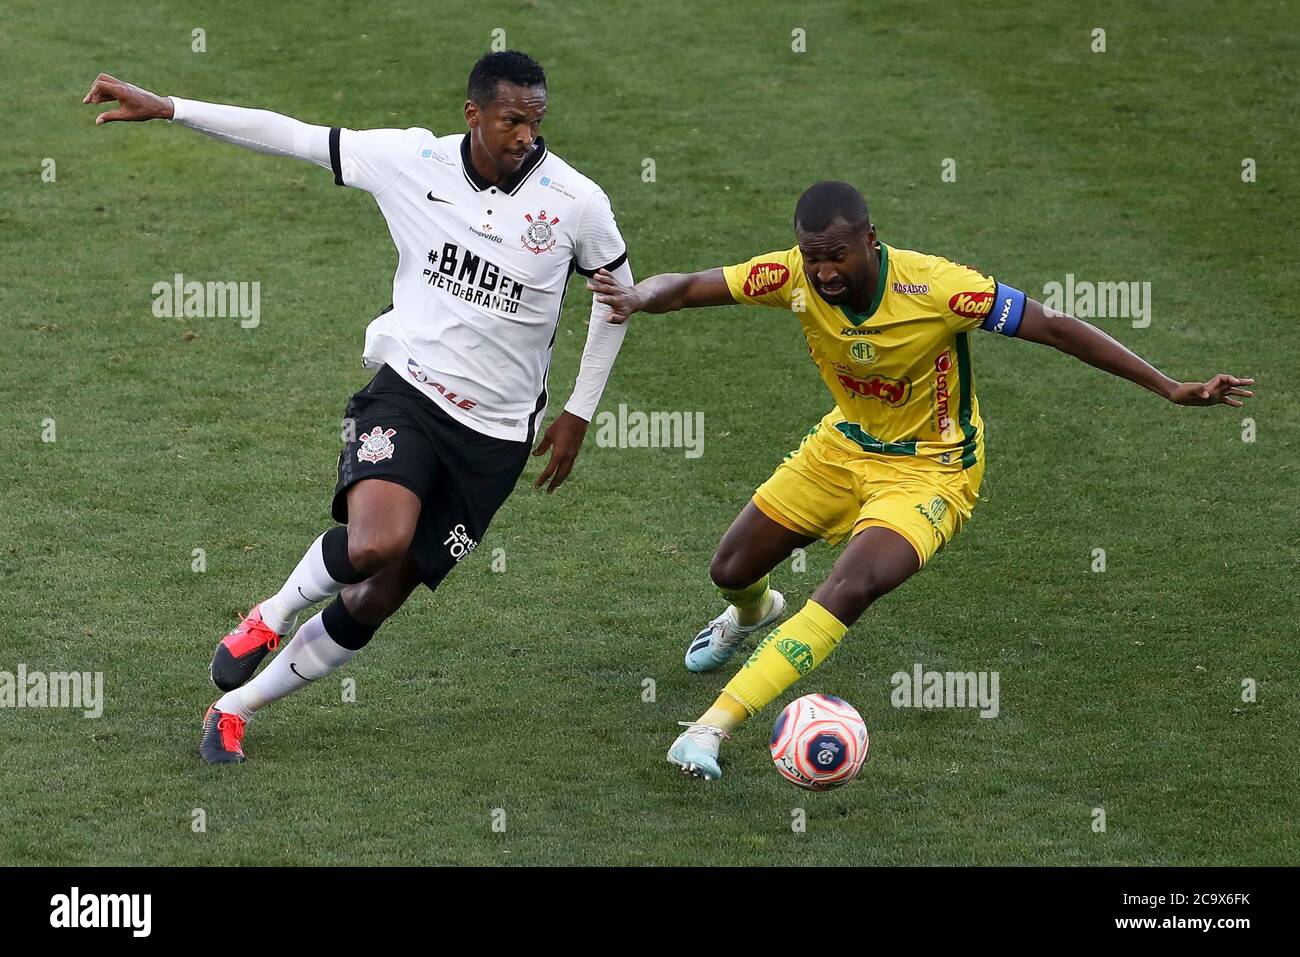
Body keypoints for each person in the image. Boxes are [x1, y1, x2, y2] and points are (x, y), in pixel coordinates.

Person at [587, 180, 1253, 781]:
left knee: (852, 583)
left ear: (870, 241)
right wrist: (637, 295)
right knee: (731, 567)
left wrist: (1170, 387)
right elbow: (693, 284)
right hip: (844, 446)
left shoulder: (937, 289)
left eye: (837, 256)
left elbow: (1052, 325)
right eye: (812, 256)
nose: (822, 272)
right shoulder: (790, 276)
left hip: (933, 469)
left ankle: (710, 726)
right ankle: (754, 611)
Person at [83, 51, 634, 764]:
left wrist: (580, 413)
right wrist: (173, 107)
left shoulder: (576, 202)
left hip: (496, 438)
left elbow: (618, 301)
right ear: (473, 115)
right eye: (512, 120)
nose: (527, 133)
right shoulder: (410, 160)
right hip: (408, 390)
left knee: (378, 594)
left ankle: (233, 708)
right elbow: (291, 133)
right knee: (377, 540)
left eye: (537, 120)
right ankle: (271, 614)